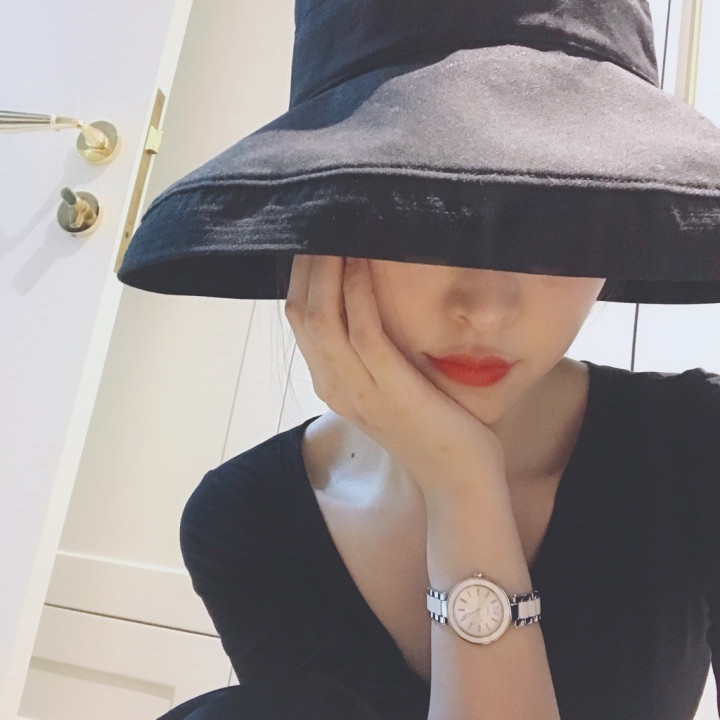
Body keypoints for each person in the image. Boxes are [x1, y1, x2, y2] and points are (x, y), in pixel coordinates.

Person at [117, 1, 720, 718]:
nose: (487, 308)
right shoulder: (247, 520)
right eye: (421, 218)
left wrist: (460, 484)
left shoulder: (697, 448)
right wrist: (461, 484)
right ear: (324, 225)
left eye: (557, 226)